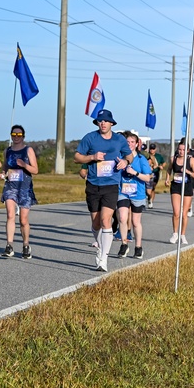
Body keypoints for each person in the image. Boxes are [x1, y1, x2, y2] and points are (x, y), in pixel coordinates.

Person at [74, 109, 133, 272]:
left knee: (106, 220)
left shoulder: (119, 139)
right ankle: (100, 246)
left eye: (106, 121)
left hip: (111, 185)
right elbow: (77, 157)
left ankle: (103, 259)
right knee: (96, 223)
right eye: (100, 121)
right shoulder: (90, 138)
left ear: (112, 123)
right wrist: (92, 157)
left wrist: (125, 162)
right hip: (93, 184)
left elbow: (130, 156)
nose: (103, 123)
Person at [0, 125, 38, 259]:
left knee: (23, 219)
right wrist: (3, 173)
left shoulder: (28, 150)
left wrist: (24, 165)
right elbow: (5, 165)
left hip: (25, 187)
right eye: (14, 135)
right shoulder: (8, 150)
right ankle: (9, 245)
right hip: (11, 186)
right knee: (10, 214)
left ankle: (26, 245)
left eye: (19, 135)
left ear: (23, 136)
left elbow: (35, 170)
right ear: (11, 135)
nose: (16, 137)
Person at [116, 131, 153, 259]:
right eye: (128, 142)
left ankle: (138, 247)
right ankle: (124, 244)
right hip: (123, 192)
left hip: (138, 194)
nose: (130, 144)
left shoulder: (141, 159)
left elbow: (148, 178)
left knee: (135, 221)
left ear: (137, 144)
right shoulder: (120, 156)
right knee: (122, 217)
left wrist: (135, 173)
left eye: (132, 142)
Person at [168, 139, 194, 245]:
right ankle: (174, 233)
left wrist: (187, 171)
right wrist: (167, 178)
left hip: (186, 187)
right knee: (176, 212)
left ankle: (183, 235)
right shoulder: (173, 159)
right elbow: (169, 169)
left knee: (184, 214)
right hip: (176, 186)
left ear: (187, 151)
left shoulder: (190, 160)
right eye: (180, 149)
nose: (181, 151)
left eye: (183, 150)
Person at [147, 142, 164, 208]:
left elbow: (164, 163)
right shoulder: (146, 155)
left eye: (153, 149)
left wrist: (161, 166)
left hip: (155, 173)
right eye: (151, 149)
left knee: (153, 188)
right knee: (147, 189)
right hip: (147, 173)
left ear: (155, 149)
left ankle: (151, 201)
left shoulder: (158, 156)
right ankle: (149, 197)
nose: (152, 150)